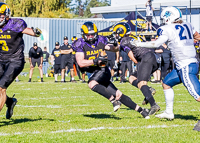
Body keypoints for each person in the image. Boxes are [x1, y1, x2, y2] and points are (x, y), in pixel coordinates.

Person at [132, 6, 200, 131]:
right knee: (166, 83)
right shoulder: (188, 25)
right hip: (188, 64)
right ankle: (169, 112)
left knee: (198, 96)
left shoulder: (166, 28)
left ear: (168, 18)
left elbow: (156, 43)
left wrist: (139, 43)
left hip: (185, 66)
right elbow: (198, 36)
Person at [72, 21, 150, 119]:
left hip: (103, 70)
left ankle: (113, 101)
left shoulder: (100, 40)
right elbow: (81, 62)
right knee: (118, 94)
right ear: (83, 35)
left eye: (92, 34)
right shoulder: (80, 44)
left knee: (91, 84)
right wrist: (95, 61)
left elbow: (114, 49)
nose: (91, 37)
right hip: (94, 71)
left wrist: (115, 44)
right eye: (88, 35)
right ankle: (142, 111)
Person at [0, 2, 41, 119]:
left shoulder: (15, 24)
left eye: (1, 15)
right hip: (1, 59)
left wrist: (37, 32)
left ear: (7, 15)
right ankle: (10, 102)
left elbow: (32, 32)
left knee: (1, 87)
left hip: (15, 60)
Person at [112, 22, 159, 115]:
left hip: (146, 58)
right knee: (132, 78)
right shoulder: (135, 37)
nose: (116, 35)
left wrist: (137, 62)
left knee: (142, 83)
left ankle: (154, 105)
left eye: (117, 33)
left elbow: (131, 55)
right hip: (154, 57)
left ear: (121, 32)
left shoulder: (123, 41)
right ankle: (148, 90)